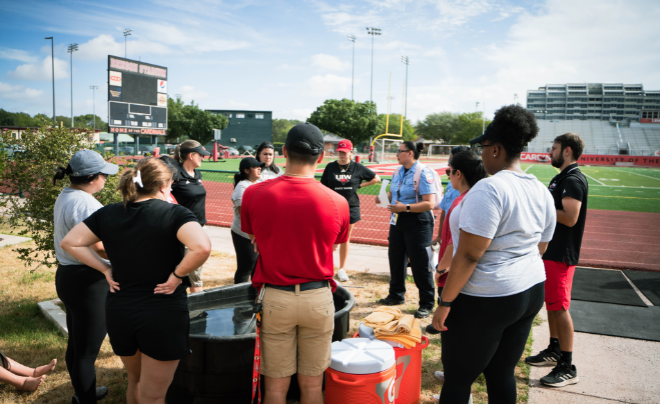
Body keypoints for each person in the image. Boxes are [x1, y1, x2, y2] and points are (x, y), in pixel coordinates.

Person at [431, 105, 556, 404]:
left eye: (484, 147)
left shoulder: (489, 189)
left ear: (497, 149)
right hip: (529, 289)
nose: (481, 154)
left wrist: (445, 303)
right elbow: (542, 246)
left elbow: (469, 255)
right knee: (501, 373)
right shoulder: (540, 189)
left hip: (488, 296)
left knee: (459, 379)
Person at [61, 157, 211, 404]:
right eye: (171, 184)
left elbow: (70, 242)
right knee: (153, 396)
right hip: (162, 311)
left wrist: (104, 269)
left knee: (136, 381)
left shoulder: (108, 212)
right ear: (163, 185)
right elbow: (202, 247)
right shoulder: (174, 213)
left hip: (120, 309)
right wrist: (176, 276)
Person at [241, 123, 349, 404]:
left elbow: (254, 238)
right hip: (318, 298)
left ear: (284, 152)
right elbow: (334, 243)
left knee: (275, 389)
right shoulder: (338, 202)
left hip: (276, 298)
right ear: (322, 156)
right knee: (313, 387)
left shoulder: (254, 193)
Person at [53, 149, 119, 404]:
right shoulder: (85, 202)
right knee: (86, 351)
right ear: (93, 177)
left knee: (78, 343)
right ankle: (86, 399)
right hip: (88, 280)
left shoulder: (68, 193)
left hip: (69, 276)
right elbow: (99, 246)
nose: (106, 179)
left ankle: (84, 394)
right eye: (104, 174)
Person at [525, 132, 588, 388]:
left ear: (567, 151)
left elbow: (570, 217)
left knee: (560, 307)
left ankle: (568, 366)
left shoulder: (573, 180)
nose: (550, 152)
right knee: (551, 304)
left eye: (554, 148)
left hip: (562, 254)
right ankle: (554, 349)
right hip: (553, 251)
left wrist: (541, 206)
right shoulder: (562, 177)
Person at [426, 150, 487, 336]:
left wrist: (440, 269)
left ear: (458, 174)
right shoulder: (478, 198)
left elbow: (455, 245)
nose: (448, 175)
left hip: (453, 275)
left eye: (449, 171)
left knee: (452, 327)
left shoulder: (461, 202)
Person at [375, 141, 436, 319]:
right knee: (396, 258)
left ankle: (426, 303)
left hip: (418, 221)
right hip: (398, 220)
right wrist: (383, 197)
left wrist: (405, 208)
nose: (396, 154)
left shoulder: (423, 172)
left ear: (410, 153)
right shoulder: (397, 171)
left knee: (420, 264)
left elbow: (429, 203)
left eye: (399, 151)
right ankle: (396, 295)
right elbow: (393, 193)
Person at [321, 139, 381, 282]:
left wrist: (360, 186)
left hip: (350, 207)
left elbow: (376, 178)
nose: (342, 155)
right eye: (340, 152)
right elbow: (323, 186)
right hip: (333, 207)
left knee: (345, 238)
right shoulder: (330, 167)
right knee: (330, 237)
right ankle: (325, 266)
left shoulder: (357, 167)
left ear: (351, 153)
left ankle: (342, 269)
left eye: (345, 152)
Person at [171, 140, 211, 293]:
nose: (203, 157)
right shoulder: (176, 175)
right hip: (183, 230)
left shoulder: (197, 174)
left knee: (195, 274)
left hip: (199, 227)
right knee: (186, 274)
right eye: (201, 155)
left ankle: (197, 312)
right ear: (191, 155)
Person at [231, 157, 265, 283]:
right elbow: (243, 215)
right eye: (256, 167)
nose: (259, 168)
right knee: (245, 268)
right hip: (244, 234)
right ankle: (240, 298)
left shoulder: (255, 183)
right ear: (246, 170)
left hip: (254, 233)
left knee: (256, 267)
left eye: (259, 166)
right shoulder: (242, 187)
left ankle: (254, 296)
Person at [432, 146, 470, 245]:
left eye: (451, 160)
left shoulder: (472, 188)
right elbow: (444, 211)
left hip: (459, 238)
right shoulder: (450, 183)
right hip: (447, 235)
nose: (448, 164)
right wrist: (440, 236)